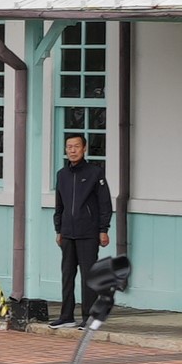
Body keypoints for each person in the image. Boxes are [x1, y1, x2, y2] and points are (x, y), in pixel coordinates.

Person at [50, 131, 112, 323]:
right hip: (67, 233)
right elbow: (59, 205)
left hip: (88, 233)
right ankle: (66, 316)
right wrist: (59, 230)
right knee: (67, 276)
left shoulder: (95, 173)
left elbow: (105, 203)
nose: (72, 150)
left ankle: (88, 317)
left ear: (84, 149)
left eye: (76, 147)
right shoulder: (62, 175)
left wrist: (103, 229)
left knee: (88, 276)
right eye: (69, 147)